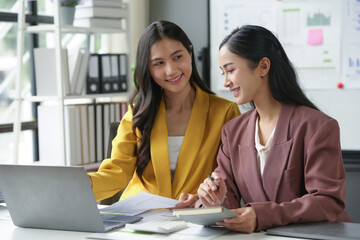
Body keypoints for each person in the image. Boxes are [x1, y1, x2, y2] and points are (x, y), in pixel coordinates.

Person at [184, 25, 352, 233]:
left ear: (263, 66)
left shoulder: (317, 126)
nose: (226, 82)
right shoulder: (232, 131)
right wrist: (213, 198)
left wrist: (262, 216)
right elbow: (228, 198)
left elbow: (327, 201)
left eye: (230, 70)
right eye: (223, 73)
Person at [87, 20, 240, 203]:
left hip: (194, 217)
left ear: (190, 52)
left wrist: (203, 201)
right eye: (159, 63)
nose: (171, 70)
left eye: (177, 57)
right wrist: (79, 184)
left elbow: (230, 178)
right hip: (140, 217)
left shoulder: (225, 112)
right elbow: (117, 173)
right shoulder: (137, 114)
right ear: (148, 69)